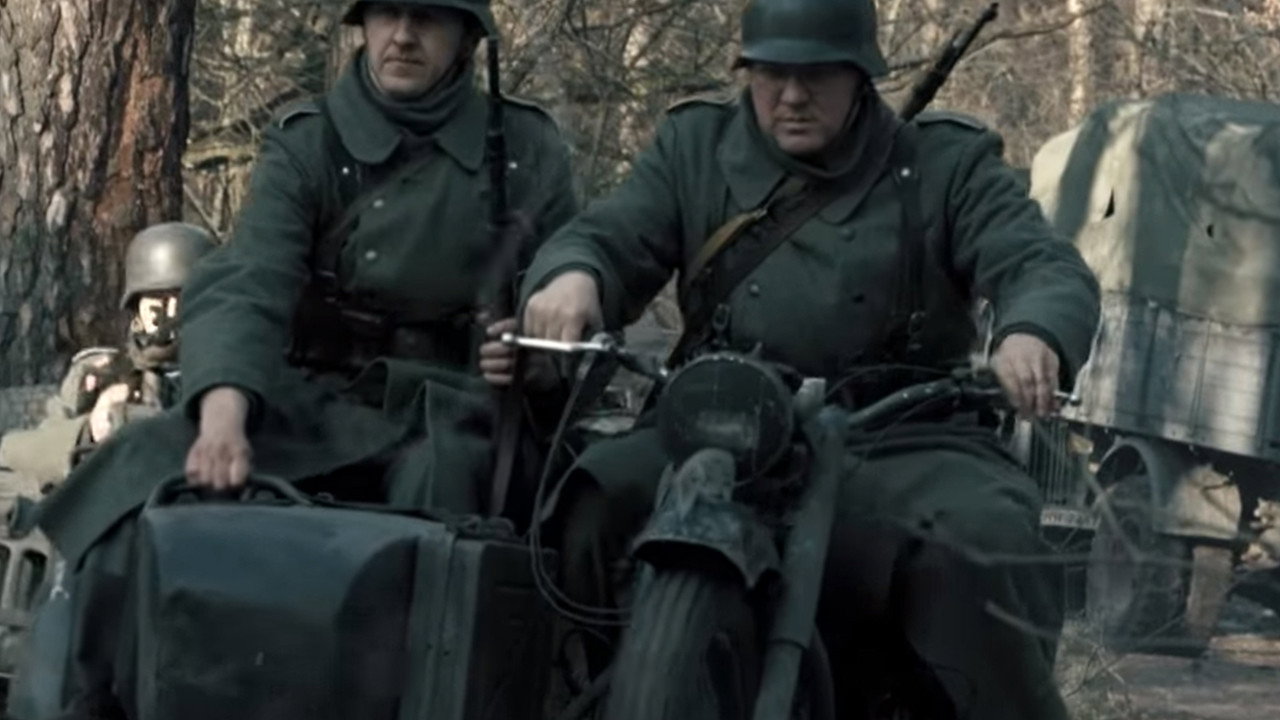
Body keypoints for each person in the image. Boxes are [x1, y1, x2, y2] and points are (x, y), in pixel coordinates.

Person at [518, 0, 1100, 717]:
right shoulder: (695, 147)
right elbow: (612, 234)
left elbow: (1039, 263)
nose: (792, 96)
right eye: (771, 74)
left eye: (817, 75)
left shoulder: (945, 162)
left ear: (860, 76)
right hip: (725, 420)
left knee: (981, 543)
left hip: (902, 435)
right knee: (594, 498)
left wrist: (1033, 332)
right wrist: (574, 277)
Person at [26, 2, 576, 717]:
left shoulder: (523, 148)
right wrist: (224, 411)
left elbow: (566, 284)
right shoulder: (311, 141)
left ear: (468, 37)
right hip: (312, 396)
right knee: (138, 464)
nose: (402, 36)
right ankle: (80, 699)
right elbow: (250, 280)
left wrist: (533, 355)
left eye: (428, 19)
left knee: (439, 522)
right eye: (387, 14)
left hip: (449, 403)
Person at [0, 222, 214, 515]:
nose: (171, 315)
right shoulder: (103, 374)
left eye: (185, 300)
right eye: (158, 304)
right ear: (137, 310)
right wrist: (90, 431)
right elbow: (23, 453)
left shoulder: (242, 371)